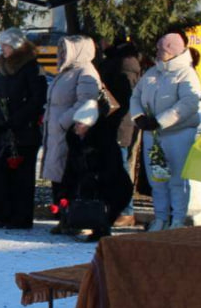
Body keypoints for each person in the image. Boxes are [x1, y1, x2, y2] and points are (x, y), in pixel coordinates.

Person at [130, 31, 201, 231]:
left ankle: (177, 219)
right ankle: (160, 218)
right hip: (152, 134)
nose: (158, 52)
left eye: (161, 49)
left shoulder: (186, 73)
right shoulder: (152, 72)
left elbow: (189, 103)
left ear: (173, 51)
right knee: (157, 179)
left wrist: (160, 121)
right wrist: (139, 116)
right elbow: (135, 95)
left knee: (177, 179)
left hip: (178, 133)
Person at [0, 28, 48, 230]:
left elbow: (37, 99)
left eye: (5, 46)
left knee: (23, 175)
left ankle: (21, 217)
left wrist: (17, 119)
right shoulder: (6, 68)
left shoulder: (31, 68)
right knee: (7, 174)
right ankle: (6, 214)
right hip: (9, 127)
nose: (2, 50)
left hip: (25, 128)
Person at [42, 35, 101, 235]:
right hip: (56, 133)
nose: (61, 54)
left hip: (69, 132)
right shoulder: (66, 72)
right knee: (58, 176)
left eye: (65, 50)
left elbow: (87, 102)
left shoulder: (85, 72)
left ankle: (75, 219)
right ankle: (63, 217)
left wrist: (63, 121)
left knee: (71, 177)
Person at [60, 92, 133, 242]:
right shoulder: (74, 140)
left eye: (80, 124)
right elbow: (71, 167)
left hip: (111, 183)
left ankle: (101, 227)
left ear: (89, 126)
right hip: (87, 180)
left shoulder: (105, 141)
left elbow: (113, 167)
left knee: (101, 196)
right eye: (76, 123)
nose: (76, 127)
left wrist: (96, 177)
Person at [99, 41, 142, 227]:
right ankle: (114, 208)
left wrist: (112, 117)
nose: (101, 43)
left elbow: (126, 100)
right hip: (110, 122)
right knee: (112, 167)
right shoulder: (111, 61)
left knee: (121, 167)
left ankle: (126, 211)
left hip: (120, 124)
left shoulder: (125, 64)